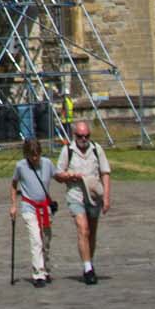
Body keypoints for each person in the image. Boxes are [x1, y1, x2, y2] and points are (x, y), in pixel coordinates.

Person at [55, 118, 112, 285]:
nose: (84, 139)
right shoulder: (68, 150)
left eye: (87, 136)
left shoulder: (97, 149)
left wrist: (106, 197)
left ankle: (89, 261)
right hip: (76, 194)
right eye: (80, 136)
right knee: (83, 229)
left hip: (94, 195)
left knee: (92, 232)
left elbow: (105, 173)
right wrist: (70, 175)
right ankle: (88, 269)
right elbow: (58, 174)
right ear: (75, 135)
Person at [10, 133, 57, 287]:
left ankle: (46, 268)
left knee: (46, 240)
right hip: (29, 207)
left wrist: (70, 176)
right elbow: (13, 184)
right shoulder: (20, 166)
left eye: (37, 155)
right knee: (36, 239)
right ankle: (38, 274)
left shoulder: (47, 163)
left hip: (45, 207)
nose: (35, 158)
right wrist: (13, 205)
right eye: (32, 155)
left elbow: (58, 176)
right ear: (26, 154)